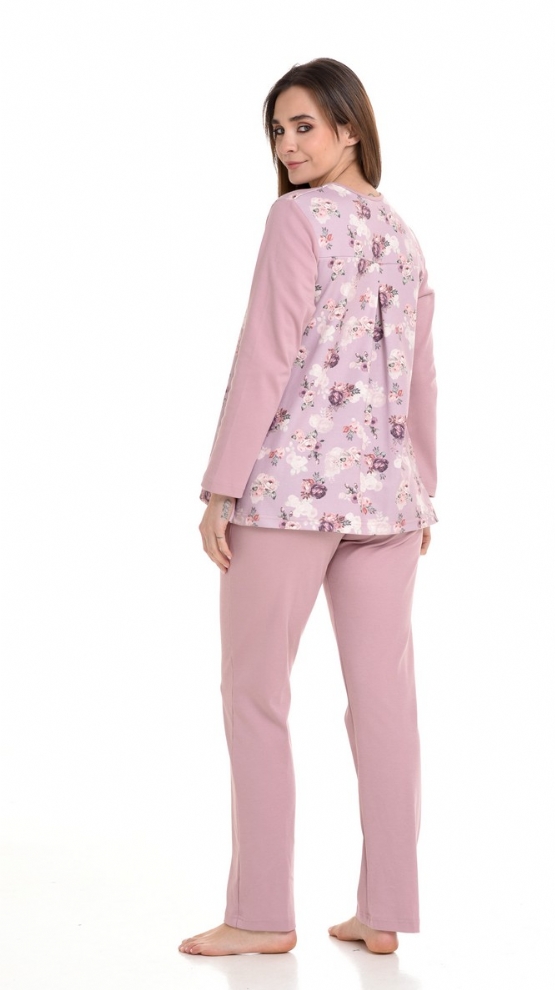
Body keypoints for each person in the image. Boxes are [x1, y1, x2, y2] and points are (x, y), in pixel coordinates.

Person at [178, 57, 438, 958]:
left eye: (304, 127)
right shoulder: (402, 235)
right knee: (384, 703)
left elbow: (265, 354)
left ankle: (260, 914)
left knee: (255, 695)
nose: (288, 146)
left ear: (348, 129)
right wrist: (422, 488)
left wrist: (220, 486)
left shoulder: (298, 219)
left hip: (285, 494)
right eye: (277, 130)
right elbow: (420, 379)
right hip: (389, 500)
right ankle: (384, 912)